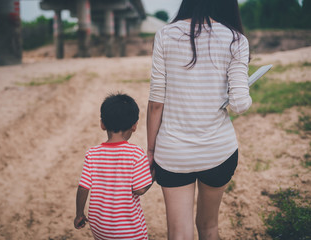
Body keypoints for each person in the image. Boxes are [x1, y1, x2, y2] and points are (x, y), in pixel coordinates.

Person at [146, 0, 252, 239]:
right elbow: (238, 104)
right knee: (209, 226)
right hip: (218, 152)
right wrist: (242, 82)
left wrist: (151, 150)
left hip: (173, 154)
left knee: (179, 233)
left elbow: (155, 104)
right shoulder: (236, 40)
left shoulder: (165, 34)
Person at [75, 93, 153, 240]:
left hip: (100, 227)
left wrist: (79, 214)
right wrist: (153, 174)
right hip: (129, 229)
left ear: (102, 124)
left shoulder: (92, 153)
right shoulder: (136, 153)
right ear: (134, 125)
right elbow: (139, 189)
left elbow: (83, 187)